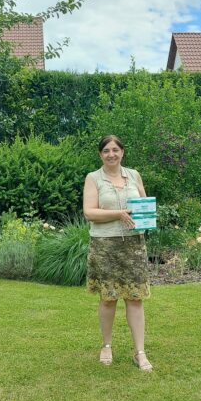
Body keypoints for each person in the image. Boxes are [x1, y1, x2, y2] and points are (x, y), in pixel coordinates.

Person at [83, 135, 153, 371]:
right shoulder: (93, 179)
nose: (111, 154)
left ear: (122, 152)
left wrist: (147, 215)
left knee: (135, 298)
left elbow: (144, 205)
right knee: (108, 298)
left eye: (115, 149)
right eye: (106, 150)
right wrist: (119, 214)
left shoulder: (134, 175)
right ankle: (106, 345)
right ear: (100, 154)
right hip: (105, 246)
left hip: (134, 245)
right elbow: (89, 212)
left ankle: (140, 352)